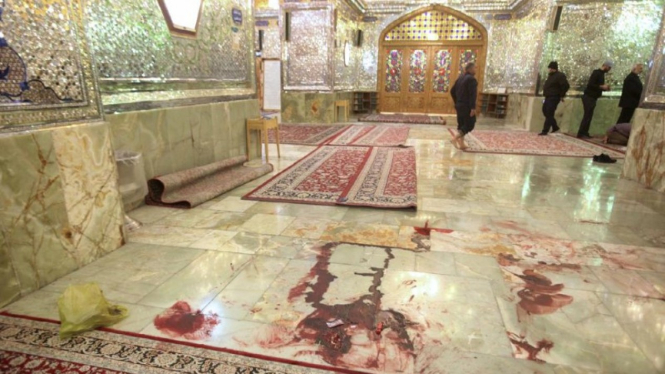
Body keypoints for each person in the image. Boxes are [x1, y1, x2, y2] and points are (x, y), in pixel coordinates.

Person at [577, 61, 613, 139]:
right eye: (609, 68)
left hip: (593, 97)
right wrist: (601, 87)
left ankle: (585, 132)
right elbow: (591, 84)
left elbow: (597, 87)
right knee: (587, 115)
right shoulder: (596, 73)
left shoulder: (601, 74)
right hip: (588, 97)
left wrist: (605, 88)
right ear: (605, 66)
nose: (609, 70)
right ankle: (581, 133)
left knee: (589, 116)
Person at [450, 63, 478, 149]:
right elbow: (472, 95)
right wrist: (473, 108)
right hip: (467, 106)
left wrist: (456, 102)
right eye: (474, 68)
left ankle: (461, 144)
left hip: (459, 105)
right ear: (470, 69)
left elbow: (452, 91)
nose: (475, 70)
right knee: (470, 124)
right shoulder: (472, 80)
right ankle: (455, 138)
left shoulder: (460, 78)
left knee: (461, 124)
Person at [539, 61, 570, 135]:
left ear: (554, 68)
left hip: (554, 97)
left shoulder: (560, 76)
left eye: (551, 68)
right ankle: (555, 126)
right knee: (545, 111)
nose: (549, 70)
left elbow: (566, 86)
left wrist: (562, 95)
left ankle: (545, 131)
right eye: (549, 68)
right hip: (548, 97)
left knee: (549, 113)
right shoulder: (551, 76)